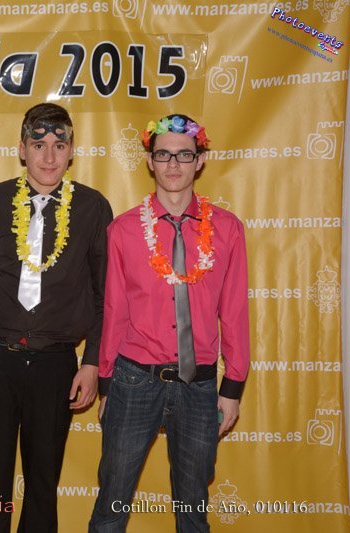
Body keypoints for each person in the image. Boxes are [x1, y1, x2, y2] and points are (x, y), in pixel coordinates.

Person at [88, 114, 250, 532]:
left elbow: (234, 311)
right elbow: (115, 312)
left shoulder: (228, 229)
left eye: (184, 155)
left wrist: (232, 387)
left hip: (199, 387)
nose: (173, 164)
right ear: (149, 161)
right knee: (112, 502)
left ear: (200, 161)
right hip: (133, 381)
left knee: (193, 508)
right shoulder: (123, 230)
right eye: (163, 154)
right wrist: (106, 386)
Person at [0, 102, 113, 533]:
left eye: (59, 146)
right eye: (38, 144)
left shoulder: (92, 207)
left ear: (72, 152)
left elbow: (106, 296)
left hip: (55, 364)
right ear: (21, 150)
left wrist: (93, 363)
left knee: (43, 482)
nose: (49, 156)